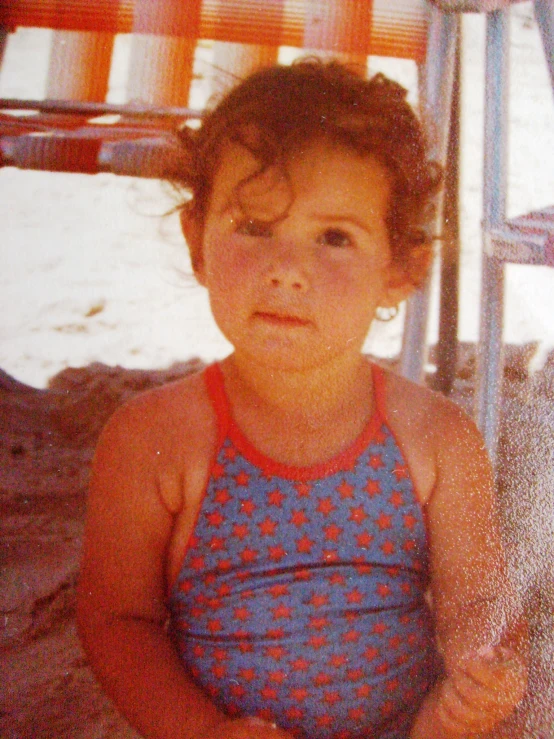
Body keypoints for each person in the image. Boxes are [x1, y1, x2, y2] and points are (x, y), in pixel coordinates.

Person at [77, 59, 528, 739]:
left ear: (401, 269)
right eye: (256, 227)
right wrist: (199, 731)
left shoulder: (435, 436)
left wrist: (479, 668)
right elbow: (117, 620)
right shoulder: (152, 437)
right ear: (196, 240)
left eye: (334, 238)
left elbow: (477, 599)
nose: (288, 271)